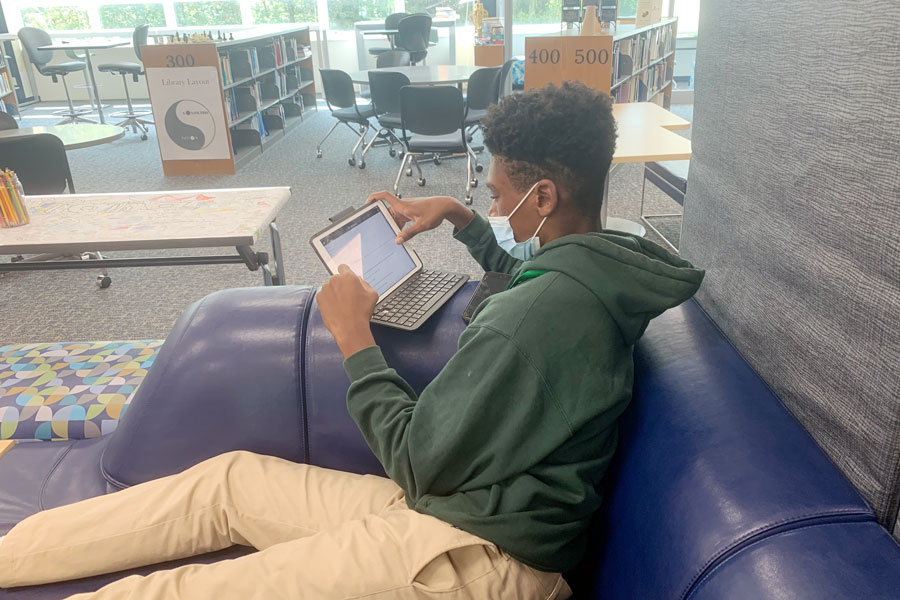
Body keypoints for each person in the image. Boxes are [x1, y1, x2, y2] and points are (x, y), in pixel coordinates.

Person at [0, 82, 703, 599]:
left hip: (481, 557)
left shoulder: (537, 318)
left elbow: (414, 461)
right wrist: (463, 220)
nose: (491, 201)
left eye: (495, 191)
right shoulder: (595, 260)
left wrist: (354, 338)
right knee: (228, 481)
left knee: (176, 592)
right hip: (466, 510)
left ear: (543, 197)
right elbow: (527, 272)